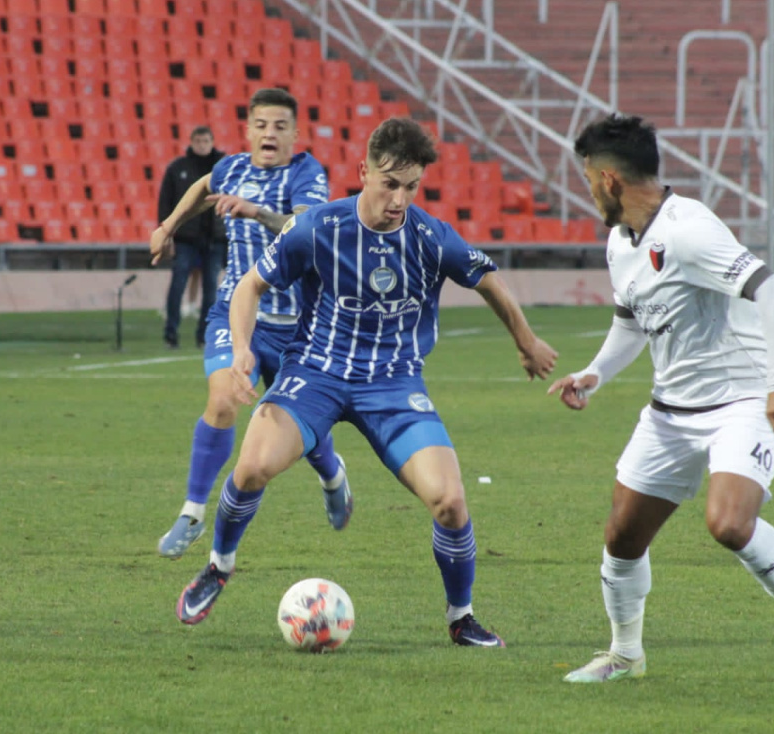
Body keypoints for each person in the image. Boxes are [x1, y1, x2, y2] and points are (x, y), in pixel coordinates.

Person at [173, 117, 558, 646]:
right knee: (253, 466)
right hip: (315, 374)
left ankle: (461, 616)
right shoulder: (318, 227)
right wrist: (242, 350)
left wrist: (526, 340)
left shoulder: (428, 235)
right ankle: (219, 566)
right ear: (363, 173)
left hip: (394, 384)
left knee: (450, 502)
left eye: (411, 187)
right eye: (389, 183)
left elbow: (485, 275)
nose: (399, 198)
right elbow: (249, 287)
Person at [548, 114, 774, 685]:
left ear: (609, 180)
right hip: (670, 411)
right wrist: (595, 374)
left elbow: (772, 290)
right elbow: (631, 322)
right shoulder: (620, 241)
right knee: (622, 537)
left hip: (742, 402)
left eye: (586, 180)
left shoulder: (688, 229)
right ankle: (625, 654)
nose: (586, 192)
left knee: (728, 523)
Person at [150, 88, 352, 559]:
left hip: (297, 325)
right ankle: (193, 512)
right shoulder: (232, 168)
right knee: (222, 399)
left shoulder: (306, 174)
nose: (270, 133)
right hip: (236, 314)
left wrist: (256, 211)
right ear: (247, 130)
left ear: (295, 134)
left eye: (281, 126)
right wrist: (168, 226)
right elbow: (204, 187)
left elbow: (305, 227)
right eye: (261, 124)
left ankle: (332, 474)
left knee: (299, 431)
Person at [157, 126, 226, 349]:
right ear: (191, 142)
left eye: (206, 141)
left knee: (210, 290)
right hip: (186, 238)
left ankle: (204, 336)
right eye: (198, 141)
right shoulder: (178, 168)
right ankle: (171, 334)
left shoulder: (223, 167)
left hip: (214, 239)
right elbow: (166, 202)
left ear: (212, 141)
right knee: (177, 285)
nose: (202, 145)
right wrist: (166, 233)